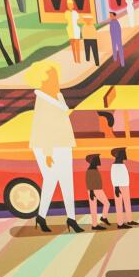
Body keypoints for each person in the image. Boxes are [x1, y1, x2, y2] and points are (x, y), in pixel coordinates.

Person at [29, 67, 81, 234]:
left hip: (64, 143)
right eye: (53, 78)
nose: (57, 81)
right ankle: (41, 217)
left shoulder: (58, 96)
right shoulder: (42, 100)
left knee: (67, 181)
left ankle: (71, 218)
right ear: (45, 81)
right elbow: (41, 127)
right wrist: (48, 152)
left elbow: (63, 118)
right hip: (47, 146)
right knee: (51, 180)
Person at [109, 146, 135, 227]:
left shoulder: (121, 164)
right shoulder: (115, 165)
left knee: (127, 203)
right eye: (124, 152)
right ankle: (120, 223)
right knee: (119, 204)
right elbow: (114, 176)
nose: (125, 154)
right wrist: (116, 187)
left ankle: (129, 220)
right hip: (119, 187)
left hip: (125, 186)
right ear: (119, 154)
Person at [84, 154, 110, 228]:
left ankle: (102, 219)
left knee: (96, 207)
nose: (99, 160)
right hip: (94, 190)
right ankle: (96, 224)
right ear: (93, 160)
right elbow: (89, 181)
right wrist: (92, 192)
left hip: (96, 190)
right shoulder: (90, 170)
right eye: (97, 158)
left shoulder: (94, 169)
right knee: (101, 205)